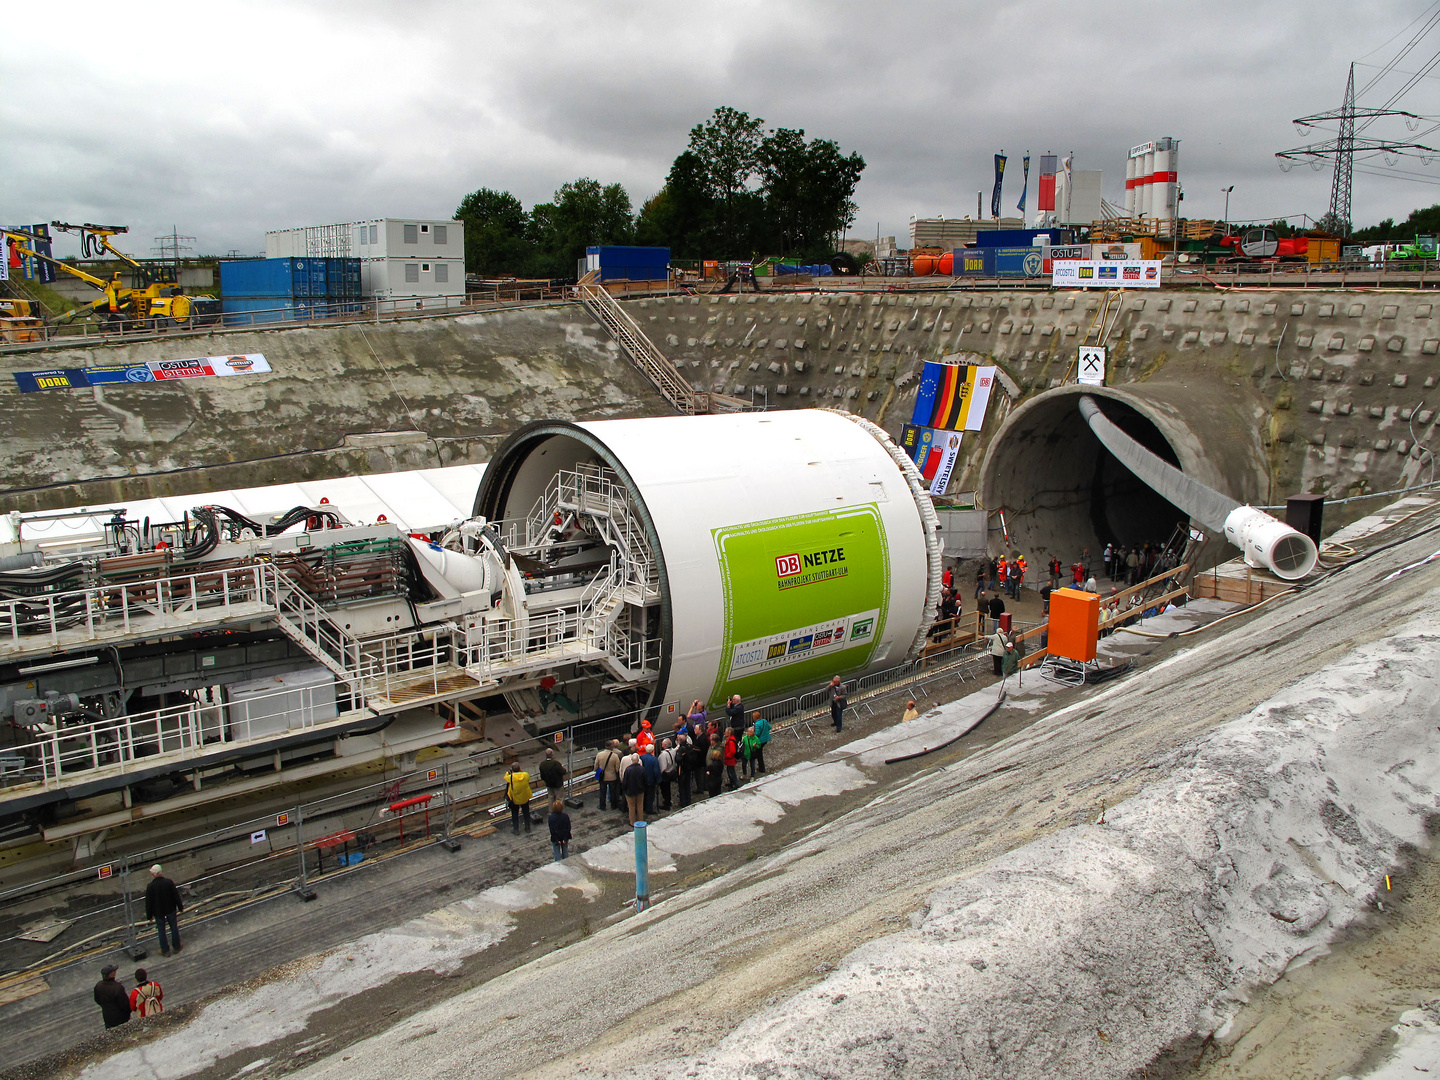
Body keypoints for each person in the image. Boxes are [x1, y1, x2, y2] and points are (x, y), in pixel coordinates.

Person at [145, 865, 184, 957]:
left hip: (158, 912)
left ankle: (165, 950)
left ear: (153, 874)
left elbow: (149, 902)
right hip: (170, 909)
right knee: (174, 927)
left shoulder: (150, 886)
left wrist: (149, 916)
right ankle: (177, 946)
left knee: (161, 930)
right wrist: (180, 907)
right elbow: (176, 896)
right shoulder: (169, 882)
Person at [93, 964, 131, 1029]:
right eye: (114, 971)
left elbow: (97, 999)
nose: (115, 972)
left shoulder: (98, 985)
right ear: (111, 975)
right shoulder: (118, 988)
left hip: (107, 1017)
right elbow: (126, 1005)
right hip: (121, 1018)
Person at [503, 761, 532, 835]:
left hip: (514, 799)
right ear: (520, 768)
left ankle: (516, 830)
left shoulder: (511, 777)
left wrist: (508, 772)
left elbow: (505, 777)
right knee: (526, 812)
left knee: (515, 814)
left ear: (512, 770)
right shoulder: (526, 775)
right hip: (525, 797)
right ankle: (527, 827)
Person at [594, 740, 622, 812]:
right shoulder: (615, 756)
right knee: (613, 792)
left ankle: (602, 806)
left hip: (602, 777)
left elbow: (596, 766)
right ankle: (613, 805)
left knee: (602, 792)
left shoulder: (599, 754)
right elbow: (617, 768)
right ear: (612, 747)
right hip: (612, 777)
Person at [621, 752, 647, 824]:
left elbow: (625, 781)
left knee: (631, 807)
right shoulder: (642, 769)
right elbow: (645, 779)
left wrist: (624, 788)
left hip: (630, 790)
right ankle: (640, 820)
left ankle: (632, 822)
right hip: (640, 789)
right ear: (638, 760)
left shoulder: (628, 770)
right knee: (640, 806)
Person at [640, 741, 661, 816]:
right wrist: (658, 780)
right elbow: (656, 770)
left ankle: (644, 807)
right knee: (650, 795)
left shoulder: (642, 757)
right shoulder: (654, 759)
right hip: (651, 780)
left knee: (644, 794)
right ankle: (649, 808)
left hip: (643, 779)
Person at [657, 738, 678, 810]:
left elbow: (662, 766)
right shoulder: (673, 751)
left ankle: (667, 803)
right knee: (668, 788)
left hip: (665, 773)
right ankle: (668, 801)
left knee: (664, 789)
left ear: (665, 745)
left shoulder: (663, 754)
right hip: (671, 771)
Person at [676, 734, 695, 808]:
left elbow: (678, 759)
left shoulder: (681, 749)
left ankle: (683, 802)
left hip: (682, 770)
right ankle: (688, 800)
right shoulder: (689, 746)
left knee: (682, 787)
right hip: (689, 768)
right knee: (687, 785)